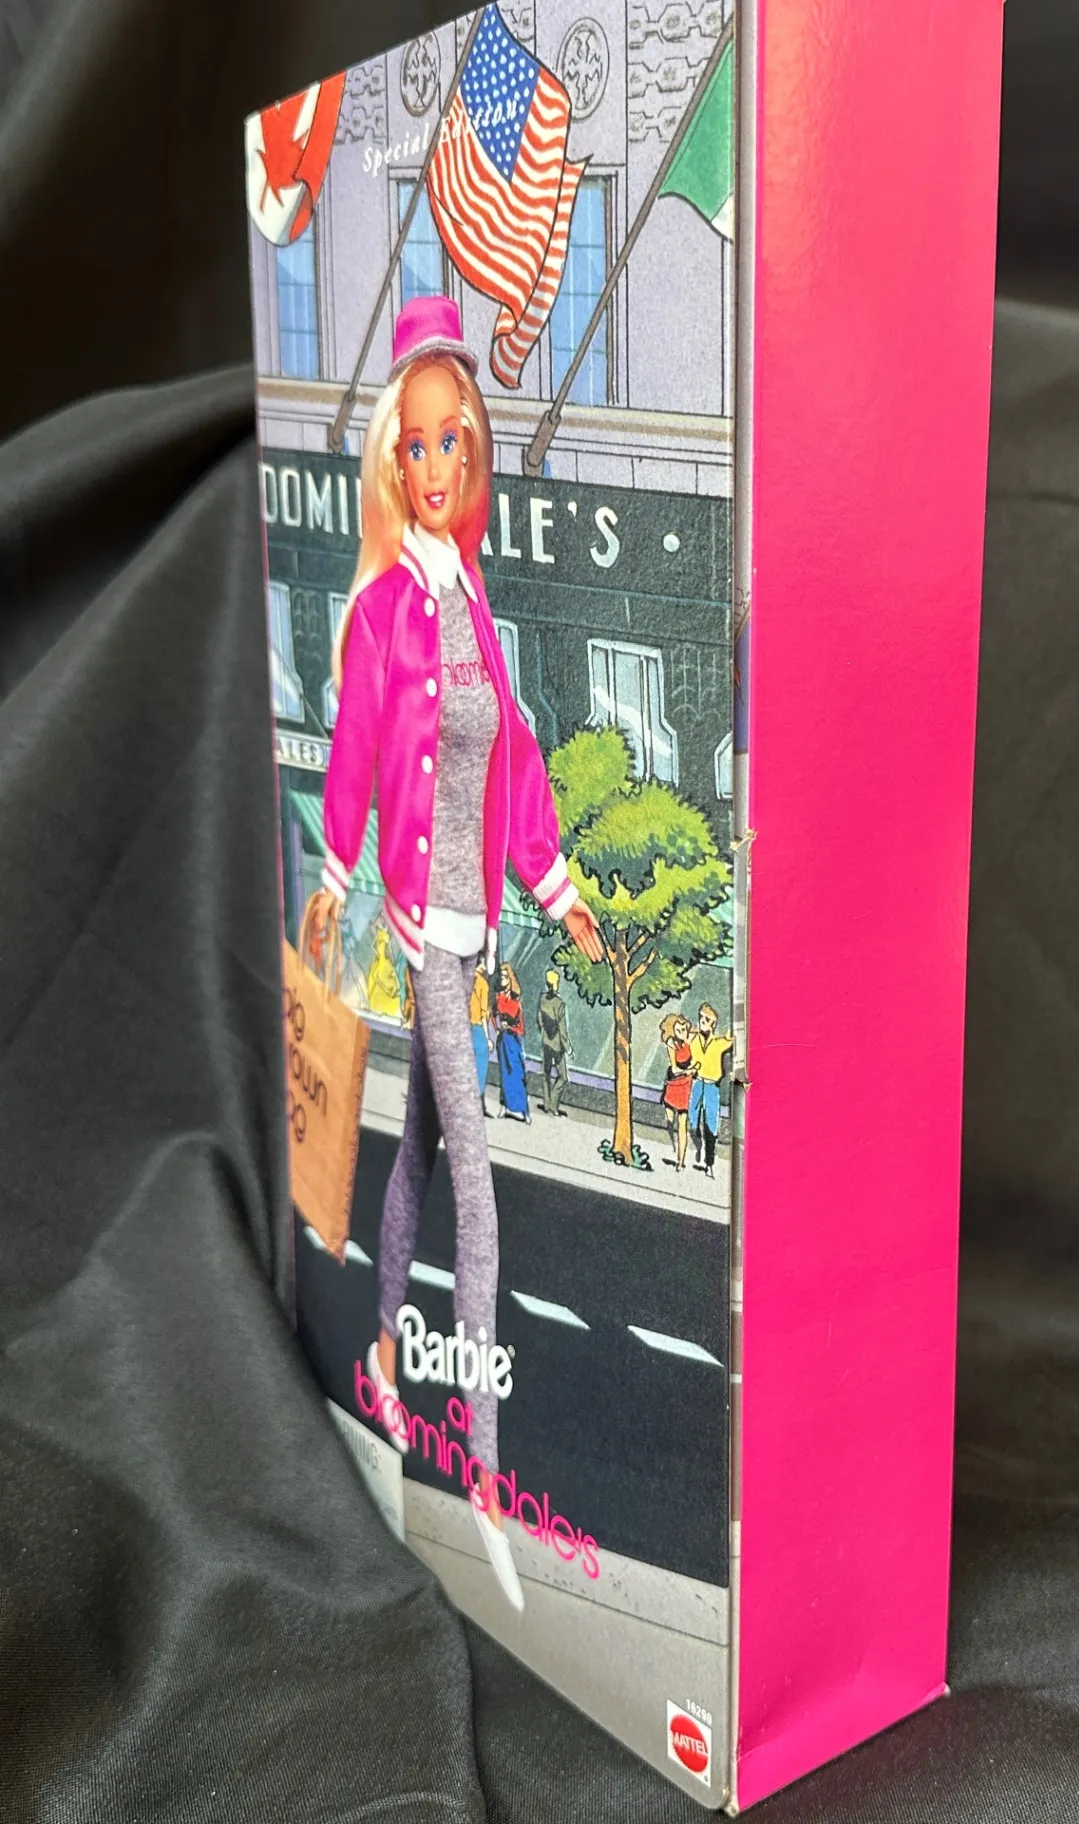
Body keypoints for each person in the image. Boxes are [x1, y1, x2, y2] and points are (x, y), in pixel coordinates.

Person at [318, 297, 604, 1612]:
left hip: (475, 926)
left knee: (422, 1152)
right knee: (480, 1197)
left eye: (455, 443)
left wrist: (559, 890)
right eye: (417, 444)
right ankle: (486, 1473)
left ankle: (384, 1354)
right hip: (426, 935)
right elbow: (356, 757)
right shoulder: (385, 611)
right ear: (393, 456)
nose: (436, 464)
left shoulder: (473, 599)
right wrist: (334, 881)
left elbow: (518, 759)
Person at [688, 1002, 733, 1178]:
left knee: (711, 1124)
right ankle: (698, 1146)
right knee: (693, 1119)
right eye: (701, 1018)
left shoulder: (718, 1043)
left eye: (706, 1020)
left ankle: (709, 1162)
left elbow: (732, 1039)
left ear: (713, 1024)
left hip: (711, 1086)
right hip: (697, 1083)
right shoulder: (694, 1039)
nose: (702, 1022)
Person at [659, 1013, 695, 1172]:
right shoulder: (671, 1044)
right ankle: (671, 1146)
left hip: (685, 1086)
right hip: (673, 1083)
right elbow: (674, 1069)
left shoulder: (690, 1040)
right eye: (679, 1030)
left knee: (682, 1124)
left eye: (684, 1029)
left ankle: (681, 1160)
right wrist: (689, 1070)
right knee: (669, 1119)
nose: (683, 1032)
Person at [495, 963, 529, 1122]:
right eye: (500, 976)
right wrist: (497, 1027)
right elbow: (493, 1015)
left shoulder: (515, 1000)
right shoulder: (498, 997)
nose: (501, 979)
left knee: (516, 1071)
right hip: (503, 1038)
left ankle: (520, 1108)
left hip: (513, 1039)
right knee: (504, 1071)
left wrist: (509, 1027)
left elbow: (519, 1024)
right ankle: (506, 1105)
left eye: (504, 976)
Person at [537, 967, 571, 1117]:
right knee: (563, 1077)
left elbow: (539, 1018)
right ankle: (553, 1105)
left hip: (546, 1042)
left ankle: (546, 1103)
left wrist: (543, 1031)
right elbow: (562, 1030)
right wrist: (568, 1048)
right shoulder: (560, 1004)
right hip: (557, 1046)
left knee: (546, 1073)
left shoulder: (542, 998)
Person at [468, 958, 492, 1109]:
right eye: (483, 963)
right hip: (477, 1028)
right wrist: (488, 1038)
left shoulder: (465, 978)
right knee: (481, 1063)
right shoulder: (482, 983)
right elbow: (483, 1015)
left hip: (464, 1026)